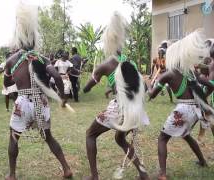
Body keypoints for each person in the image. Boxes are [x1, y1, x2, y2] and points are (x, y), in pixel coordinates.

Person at [3, 3, 72, 180]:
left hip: (23, 102)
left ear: (19, 40)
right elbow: (56, 76)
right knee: (48, 137)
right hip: (41, 102)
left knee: (13, 138)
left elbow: (7, 82)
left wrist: (15, 91)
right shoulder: (42, 58)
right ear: (34, 40)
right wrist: (63, 97)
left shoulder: (11, 60)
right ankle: (66, 168)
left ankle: (11, 175)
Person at [83, 12, 149, 180]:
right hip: (135, 108)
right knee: (120, 139)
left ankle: (94, 176)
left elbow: (87, 88)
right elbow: (144, 87)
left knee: (90, 134)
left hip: (121, 107)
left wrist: (89, 83)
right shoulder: (131, 62)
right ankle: (142, 173)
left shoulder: (106, 64)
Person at [147, 30, 212, 180]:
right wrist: (203, 98)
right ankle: (202, 161)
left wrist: (149, 85)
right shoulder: (190, 72)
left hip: (183, 109)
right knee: (186, 135)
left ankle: (162, 174)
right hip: (197, 110)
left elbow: (152, 95)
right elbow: (210, 85)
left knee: (162, 138)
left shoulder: (168, 74)